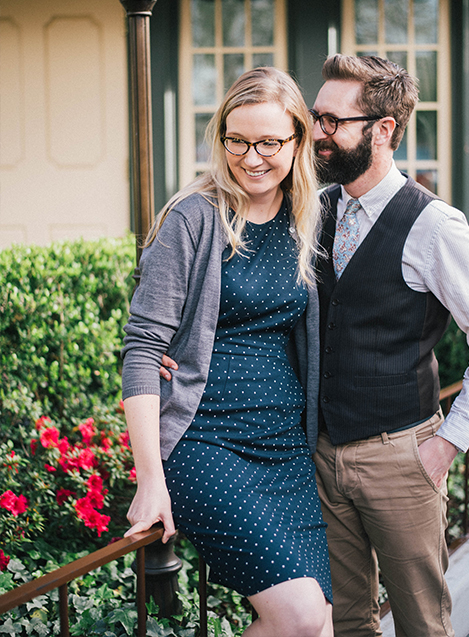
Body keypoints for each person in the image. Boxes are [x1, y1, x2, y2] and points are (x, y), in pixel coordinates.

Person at [122, 67, 334, 636]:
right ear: (220, 139)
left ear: (298, 141)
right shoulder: (193, 218)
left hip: (285, 450)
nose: (252, 156)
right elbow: (143, 347)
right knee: (300, 616)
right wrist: (150, 478)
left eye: (270, 142)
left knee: (320, 627)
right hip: (206, 443)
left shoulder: (307, 219)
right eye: (237, 140)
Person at [307, 54, 469, 637]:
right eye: (317, 117)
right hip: (324, 455)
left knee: (421, 624)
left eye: (333, 121)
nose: (318, 133)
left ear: (383, 130)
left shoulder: (436, 226)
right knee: (349, 622)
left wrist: (447, 445)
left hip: (401, 457)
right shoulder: (317, 210)